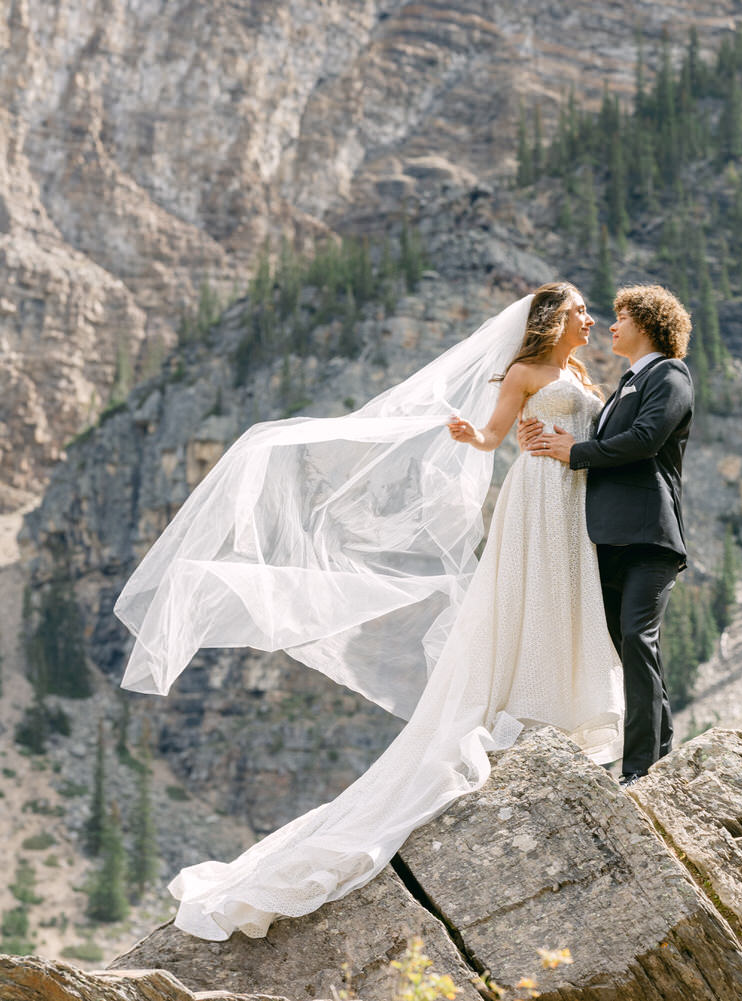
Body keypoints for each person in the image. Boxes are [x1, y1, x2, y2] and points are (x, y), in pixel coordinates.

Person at [114, 282, 624, 940]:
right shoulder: (525, 372)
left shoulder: (578, 372)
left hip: (573, 495)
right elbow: (495, 434)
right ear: (553, 320)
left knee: (569, 597)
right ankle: (531, 704)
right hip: (536, 493)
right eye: (581, 310)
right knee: (536, 594)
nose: (592, 319)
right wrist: (472, 432)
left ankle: (565, 702)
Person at [522, 284, 693, 784]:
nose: (611, 326)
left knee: (639, 638)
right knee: (630, 647)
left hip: (649, 537)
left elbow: (643, 440)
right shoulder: (624, 383)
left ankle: (639, 768)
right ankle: (658, 758)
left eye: (620, 317)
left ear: (645, 322)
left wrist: (575, 451)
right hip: (609, 538)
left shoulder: (669, 375)